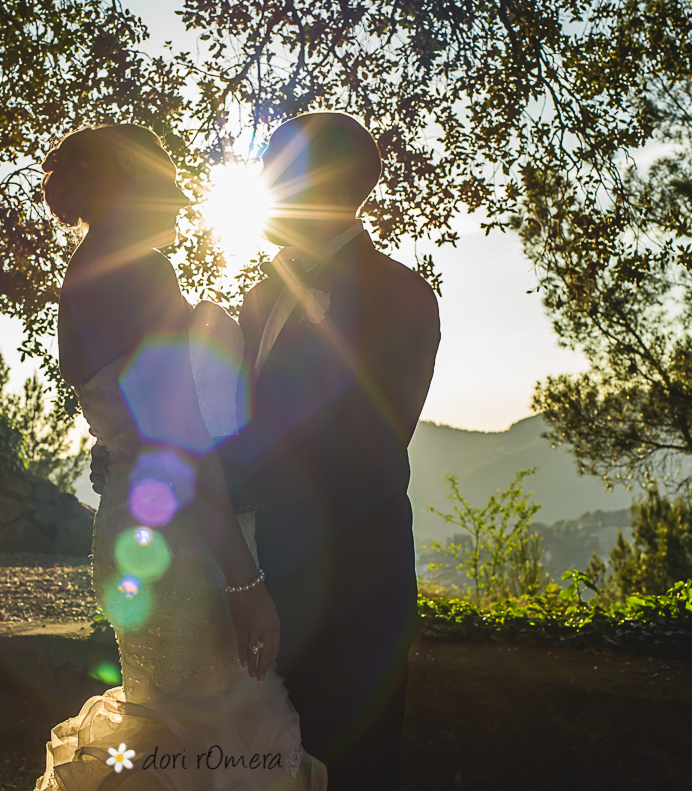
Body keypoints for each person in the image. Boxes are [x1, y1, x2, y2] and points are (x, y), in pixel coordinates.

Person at [91, 112, 441, 789]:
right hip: (261, 572)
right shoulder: (258, 296)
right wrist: (152, 453)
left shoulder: (401, 295)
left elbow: (363, 447)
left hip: (353, 587)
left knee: (354, 769)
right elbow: (234, 423)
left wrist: (196, 463)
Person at [34, 124, 326, 791]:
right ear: (125, 187)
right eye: (163, 182)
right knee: (210, 741)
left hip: (131, 522)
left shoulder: (85, 272)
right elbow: (181, 444)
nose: (177, 198)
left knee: (166, 734)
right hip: (184, 547)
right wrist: (244, 583)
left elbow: (125, 416)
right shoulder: (139, 270)